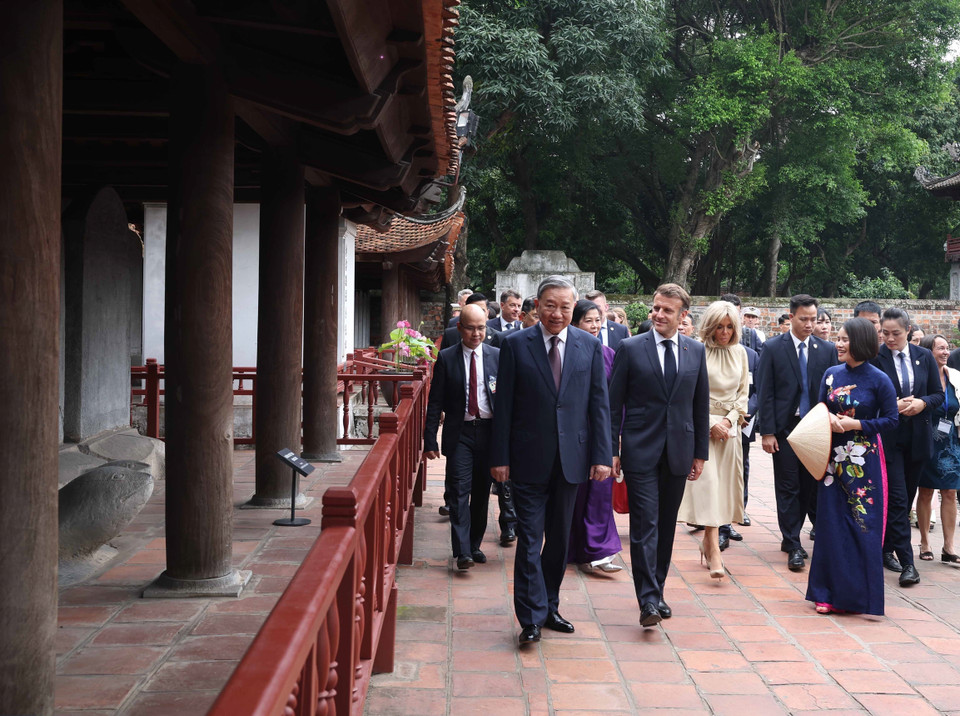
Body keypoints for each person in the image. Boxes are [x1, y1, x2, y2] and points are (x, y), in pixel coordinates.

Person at [490, 276, 611, 647]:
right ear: (536, 306)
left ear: (573, 308)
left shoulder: (589, 346)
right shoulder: (514, 345)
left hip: (572, 460)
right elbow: (504, 407)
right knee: (529, 540)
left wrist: (602, 456)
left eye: (565, 307)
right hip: (527, 458)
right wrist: (500, 457)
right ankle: (528, 616)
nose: (557, 313)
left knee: (559, 541)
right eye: (550, 306)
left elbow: (598, 404)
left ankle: (550, 607)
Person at [610, 283, 710, 627]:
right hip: (640, 449)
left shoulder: (696, 351)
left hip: (679, 452)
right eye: (656, 308)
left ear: (683, 315)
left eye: (667, 310)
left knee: (666, 526)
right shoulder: (630, 348)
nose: (658, 315)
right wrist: (612, 449)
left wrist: (700, 453)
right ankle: (648, 600)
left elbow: (699, 406)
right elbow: (612, 405)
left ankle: (659, 589)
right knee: (645, 524)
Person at [806, 318, 898, 615]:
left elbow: (892, 420)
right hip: (832, 462)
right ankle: (825, 593)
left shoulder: (879, 379)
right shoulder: (831, 375)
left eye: (845, 339)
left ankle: (860, 597)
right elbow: (817, 410)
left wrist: (856, 423)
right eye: (839, 338)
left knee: (862, 526)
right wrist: (829, 421)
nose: (839, 344)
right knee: (830, 525)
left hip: (864, 464)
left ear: (860, 342)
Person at [757, 294, 837, 572]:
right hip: (785, 428)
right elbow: (765, 392)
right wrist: (767, 432)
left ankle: (793, 532)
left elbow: (830, 393)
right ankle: (792, 542)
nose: (809, 324)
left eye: (813, 319)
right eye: (803, 319)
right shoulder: (772, 348)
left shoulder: (825, 349)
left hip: (814, 429)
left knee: (809, 485)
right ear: (791, 317)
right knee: (787, 486)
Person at [871, 306, 943, 587]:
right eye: (885, 333)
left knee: (904, 498)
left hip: (918, 439)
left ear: (908, 331)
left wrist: (922, 403)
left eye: (896, 334)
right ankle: (908, 564)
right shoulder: (876, 358)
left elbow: (937, 395)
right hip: (889, 440)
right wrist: (894, 406)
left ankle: (885, 549)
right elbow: (871, 398)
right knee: (899, 500)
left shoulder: (923, 357)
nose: (889, 339)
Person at [424, 305, 500, 570]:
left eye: (481, 328)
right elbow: (435, 402)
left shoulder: (498, 357)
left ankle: (475, 544)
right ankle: (462, 550)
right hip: (461, 434)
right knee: (458, 491)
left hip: (490, 433)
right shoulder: (446, 358)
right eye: (471, 328)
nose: (476, 333)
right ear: (460, 328)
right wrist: (430, 439)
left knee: (481, 493)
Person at [677, 302, 749, 580]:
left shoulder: (740, 352)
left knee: (723, 490)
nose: (725, 332)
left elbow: (743, 393)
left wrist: (729, 420)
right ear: (710, 325)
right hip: (702, 430)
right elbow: (687, 395)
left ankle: (709, 544)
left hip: (729, 432)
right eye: (720, 326)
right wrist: (710, 423)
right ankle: (713, 548)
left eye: (730, 326)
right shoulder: (696, 351)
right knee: (708, 488)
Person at [567, 300, 622, 573]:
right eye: (588, 320)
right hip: (573, 434)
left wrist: (616, 437)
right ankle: (574, 548)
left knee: (601, 490)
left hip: (602, 433)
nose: (595, 326)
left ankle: (601, 551)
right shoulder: (567, 353)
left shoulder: (610, 354)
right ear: (575, 323)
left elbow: (617, 400)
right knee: (575, 494)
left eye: (598, 320)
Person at [916, 334, 960, 562]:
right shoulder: (921, 378)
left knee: (950, 493)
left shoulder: (955, 378)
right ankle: (924, 543)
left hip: (950, 442)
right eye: (940, 348)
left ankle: (949, 547)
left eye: (947, 348)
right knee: (925, 491)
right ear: (928, 351)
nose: (946, 352)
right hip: (926, 439)